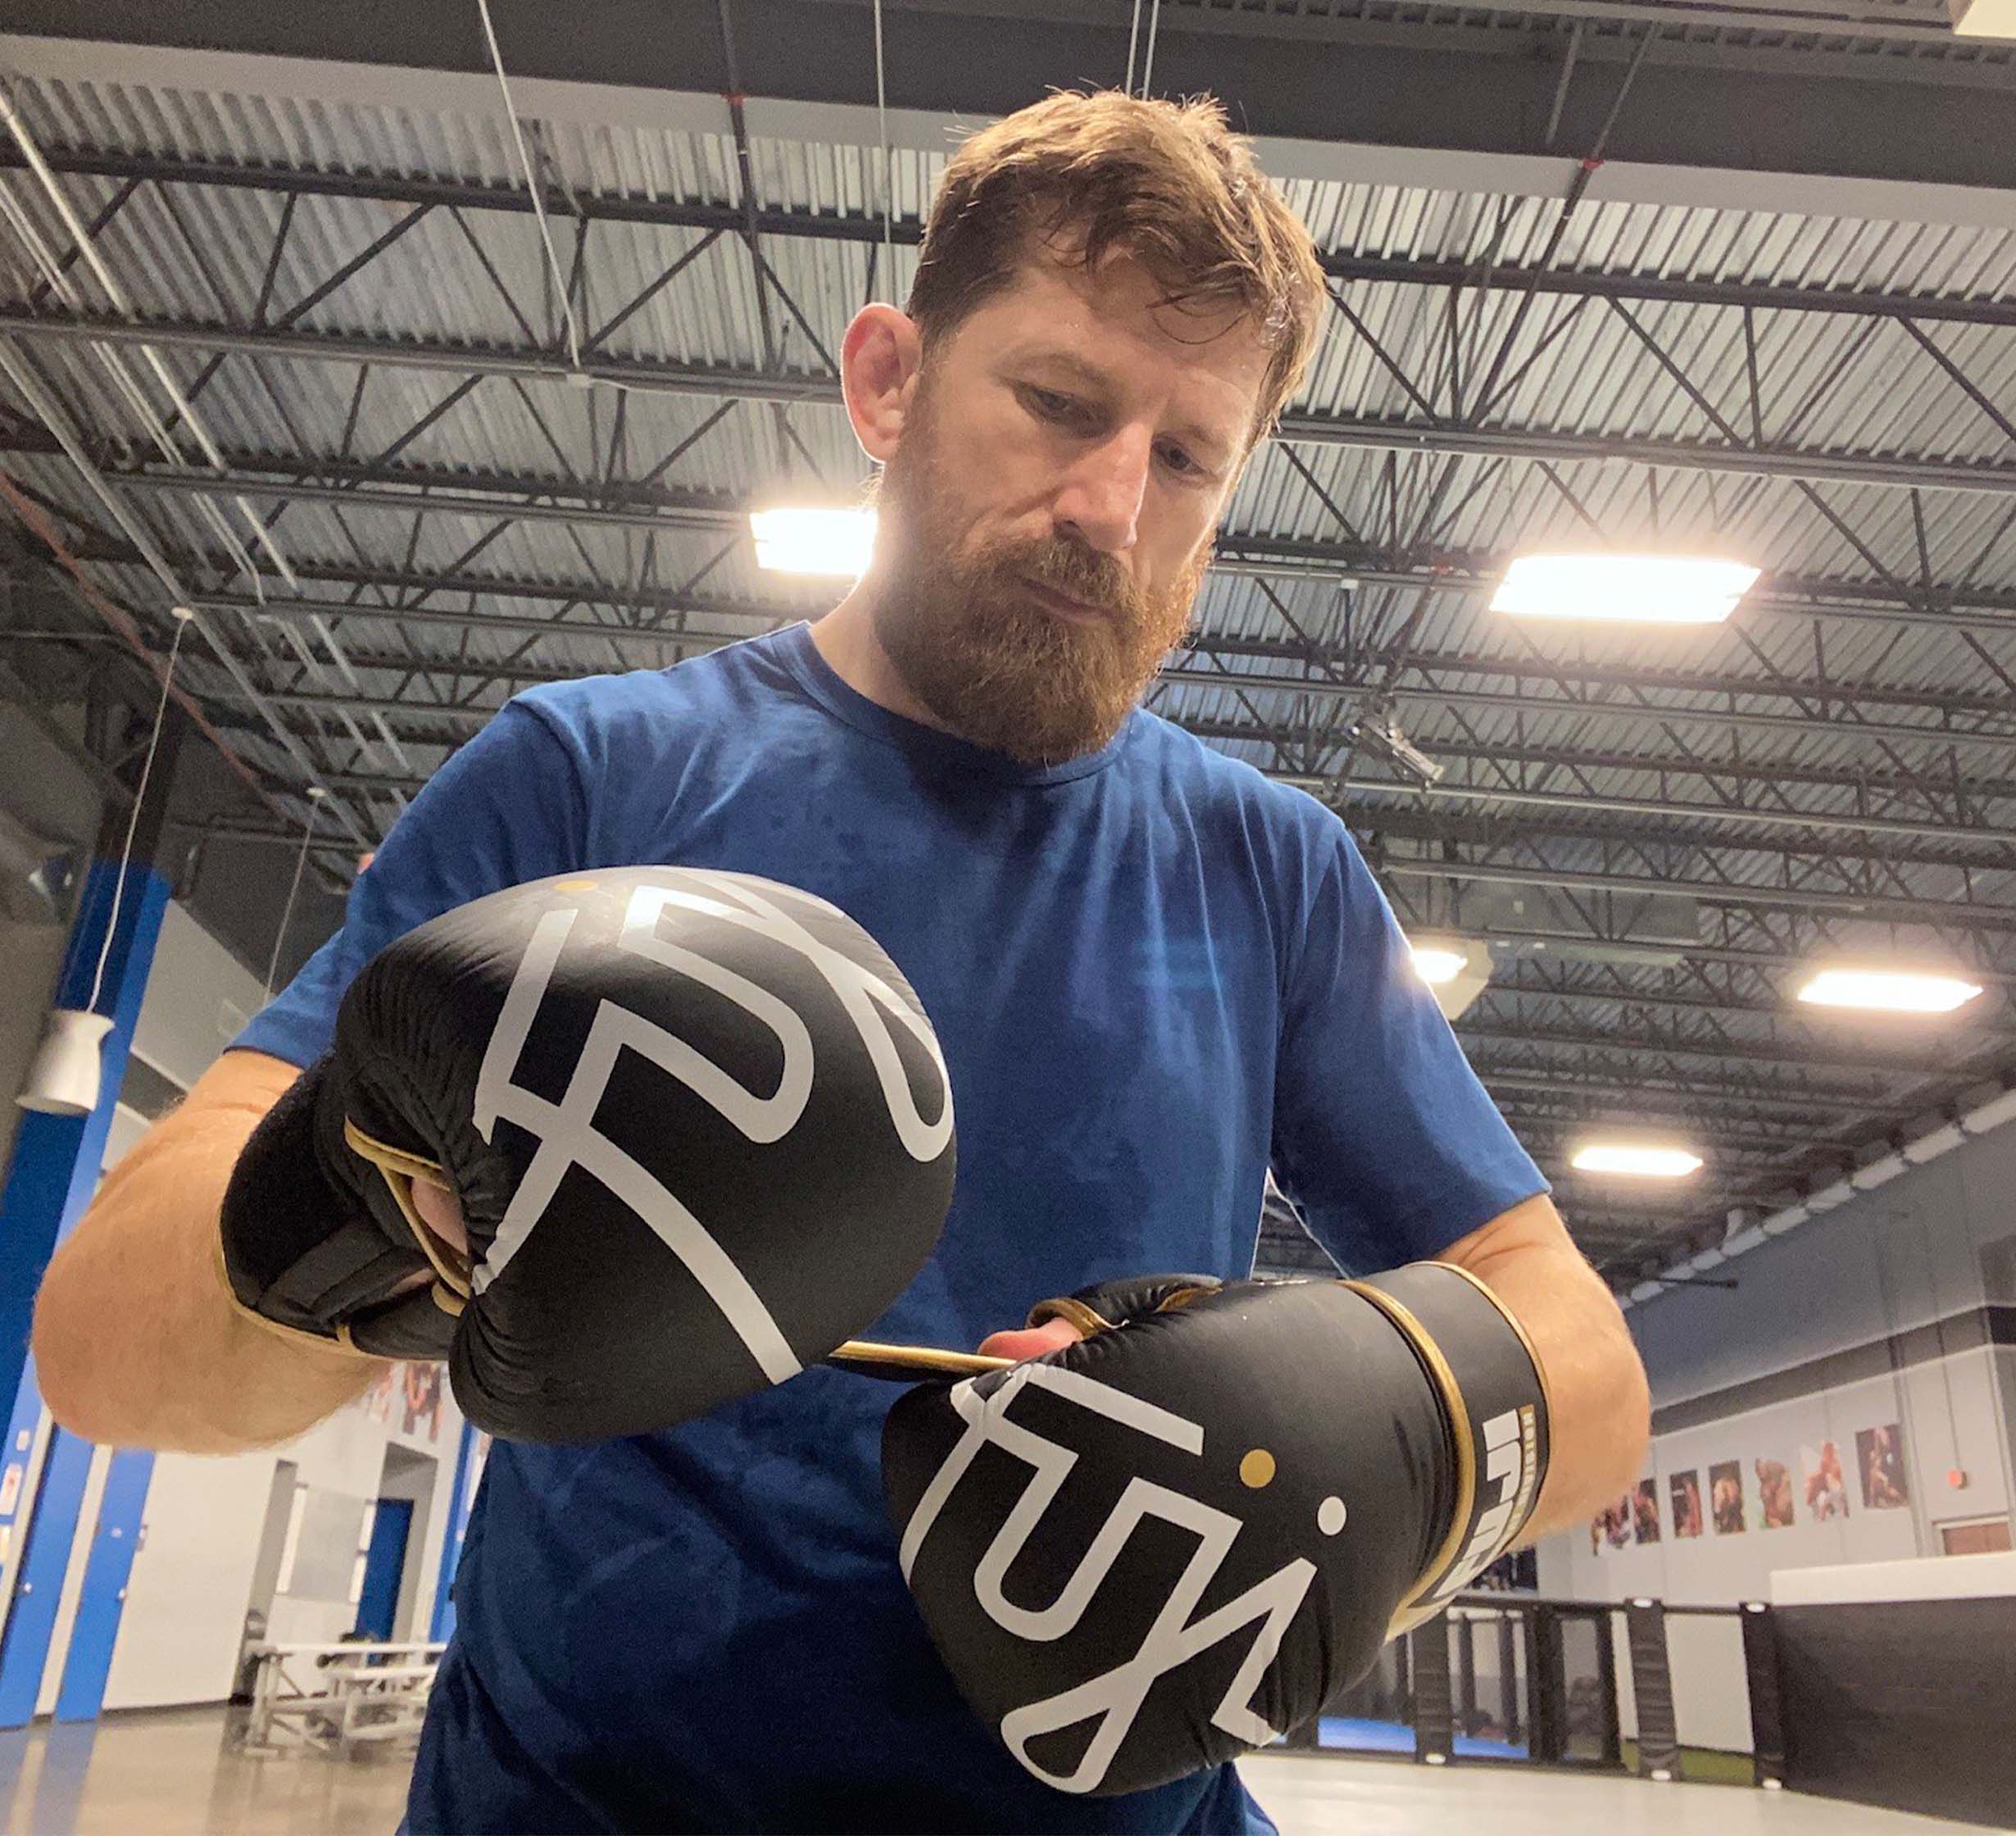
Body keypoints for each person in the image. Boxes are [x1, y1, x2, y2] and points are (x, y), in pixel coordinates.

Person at [33, 89, 1647, 1833]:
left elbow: (1586, 1362)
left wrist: (1399, 1428)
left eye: (1188, 458)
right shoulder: (591, 777)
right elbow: (99, 1341)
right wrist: (373, 1209)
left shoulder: (1271, 870)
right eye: (1058, 404)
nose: (1113, 505)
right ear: (886, 384)